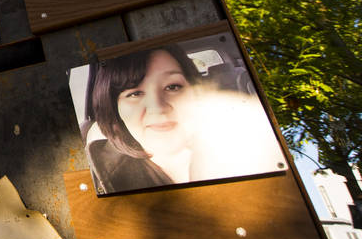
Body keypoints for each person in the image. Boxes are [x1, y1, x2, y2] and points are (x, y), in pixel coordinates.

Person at [83, 44, 284, 194]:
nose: (158, 108)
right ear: (114, 109)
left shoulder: (252, 147)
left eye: (173, 87)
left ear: (195, 92)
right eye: (134, 93)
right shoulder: (98, 176)